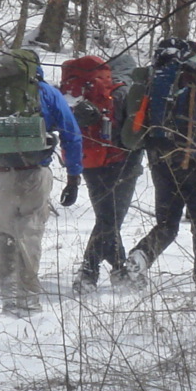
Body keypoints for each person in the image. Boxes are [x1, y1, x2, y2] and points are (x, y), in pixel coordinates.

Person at [0, 59, 83, 314]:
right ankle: (28, 302)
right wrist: (74, 175)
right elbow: (71, 133)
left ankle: (9, 298)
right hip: (35, 173)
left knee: (6, 234)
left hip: (2, 175)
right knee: (29, 234)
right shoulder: (46, 92)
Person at [120, 39, 196, 290]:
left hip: (158, 159)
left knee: (167, 224)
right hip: (190, 161)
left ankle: (141, 255)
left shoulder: (155, 82)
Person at [59, 54, 143, 294]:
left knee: (107, 218)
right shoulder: (126, 91)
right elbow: (133, 133)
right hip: (121, 162)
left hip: (89, 160)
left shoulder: (82, 92)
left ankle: (119, 269)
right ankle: (88, 274)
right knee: (110, 220)